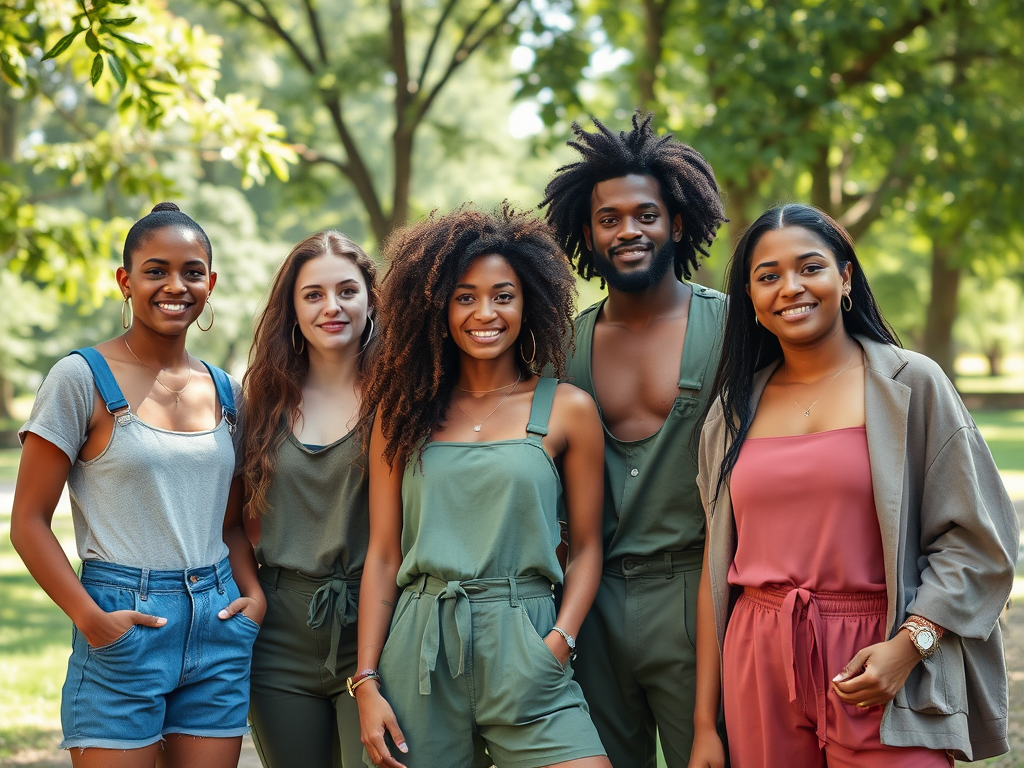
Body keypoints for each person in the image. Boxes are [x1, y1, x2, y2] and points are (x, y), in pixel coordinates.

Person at [688, 204, 1019, 768]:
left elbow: (978, 541)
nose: (790, 288)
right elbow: (716, 571)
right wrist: (703, 728)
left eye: (809, 267)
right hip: (760, 657)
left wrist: (908, 648)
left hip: (878, 651)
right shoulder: (731, 412)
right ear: (749, 297)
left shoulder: (910, 384)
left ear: (845, 277)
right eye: (767, 276)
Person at [352, 204, 611, 768]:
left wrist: (559, 642)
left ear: (530, 302)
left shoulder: (568, 409)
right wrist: (367, 680)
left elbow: (589, 546)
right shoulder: (401, 415)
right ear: (437, 306)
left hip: (527, 637)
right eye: (465, 297)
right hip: (420, 645)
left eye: (503, 295)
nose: (484, 313)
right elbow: (383, 552)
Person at [11, 202, 263, 768]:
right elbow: (27, 522)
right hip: (124, 629)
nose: (176, 285)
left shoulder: (228, 394)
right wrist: (92, 619)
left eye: (192, 271)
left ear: (211, 283)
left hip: (218, 628)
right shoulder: (79, 379)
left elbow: (229, 525)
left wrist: (254, 597)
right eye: (156, 270)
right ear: (125, 281)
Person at [539, 109, 728, 767]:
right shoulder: (561, 348)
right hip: (590, 604)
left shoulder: (735, 332)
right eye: (609, 219)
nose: (629, 230)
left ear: (676, 222)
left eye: (645, 214)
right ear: (586, 235)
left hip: (701, 596)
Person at [242, 231, 379, 767]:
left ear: (370, 299)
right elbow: (238, 522)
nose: (332, 307)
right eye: (313, 294)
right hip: (279, 633)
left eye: (347, 290)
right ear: (292, 309)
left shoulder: (404, 396)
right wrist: (254, 598)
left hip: (376, 628)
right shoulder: (261, 399)